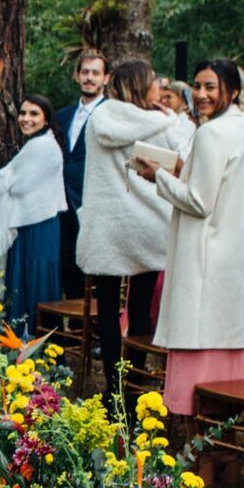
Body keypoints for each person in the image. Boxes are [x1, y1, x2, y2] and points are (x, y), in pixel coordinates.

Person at [134, 58, 244, 415]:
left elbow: (199, 200)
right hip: (233, 255)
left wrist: (158, 177)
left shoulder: (211, 133)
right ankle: (222, 444)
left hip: (205, 256)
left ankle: (197, 447)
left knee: (198, 363)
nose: (201, 94)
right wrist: (179, 168)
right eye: (197, 86)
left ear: (234, 90)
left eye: (211, 86)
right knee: (227, 353)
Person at [75, 58, 191, 383]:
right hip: (148, 226)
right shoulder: (162, 123)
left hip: (106, 226)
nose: (159, 87)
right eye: (154, 80)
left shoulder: (98, 119)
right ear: (142, 85)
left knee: (108, 313)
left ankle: (113, 392)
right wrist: (172, 118)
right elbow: (186, 160)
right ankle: (136, 384)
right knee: (139, 310)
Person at [0, 94, 66, 333]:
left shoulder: (43, 146)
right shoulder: (36, 143)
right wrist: (6, 179)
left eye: (34, 114)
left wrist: (5, 179)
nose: (26, 119)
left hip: (38, 225)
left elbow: (16, 185)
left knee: (35, 281)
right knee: (24, 279)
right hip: (29, 223)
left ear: (46, 119)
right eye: (23, 113)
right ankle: (21, 338)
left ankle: (35, 342)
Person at [54, 51, 108, 298]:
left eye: (95, 73)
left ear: (105, 78)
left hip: (94, 205)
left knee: (96, 278)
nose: (89, 77)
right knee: (68, 272)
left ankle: (94, 333)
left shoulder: (112, 114)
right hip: (61, 207)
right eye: (85, 72)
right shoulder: (62, 116)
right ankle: (73, 331)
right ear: (77, 76)